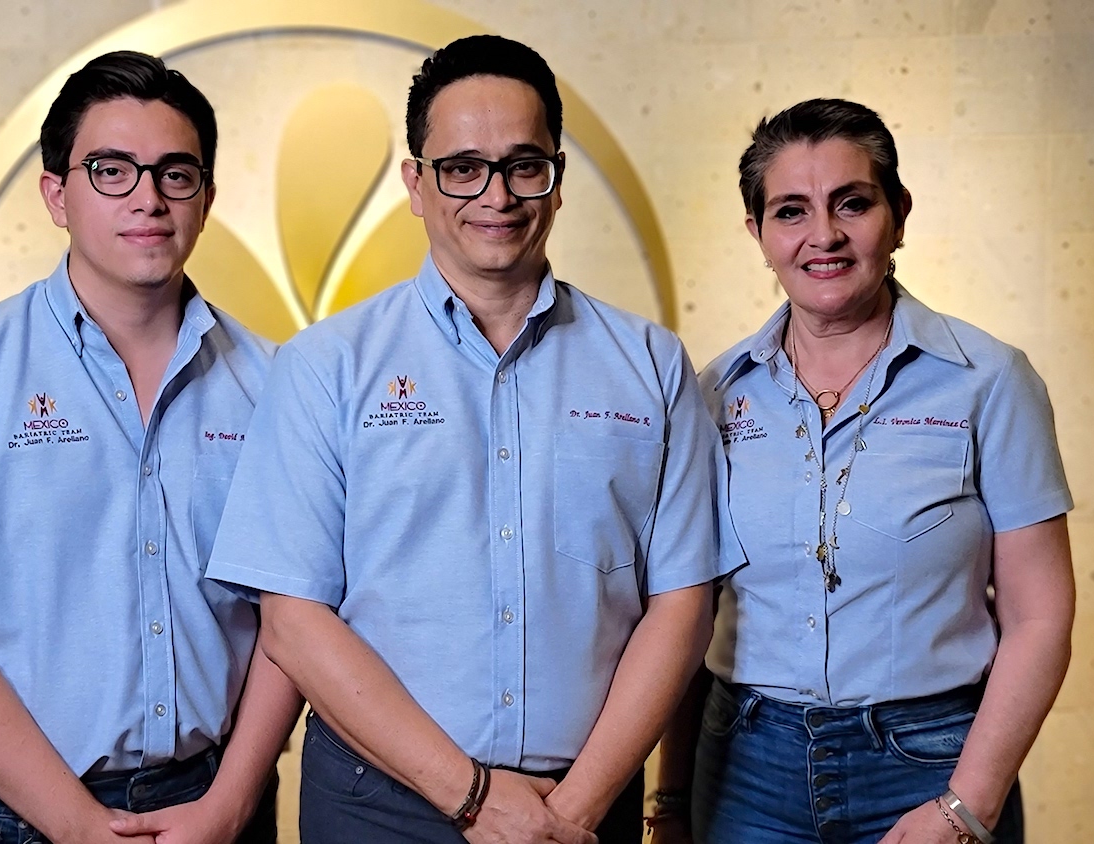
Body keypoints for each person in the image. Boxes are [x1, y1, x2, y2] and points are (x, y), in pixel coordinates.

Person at [204, 35, 731, 844]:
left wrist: (576, 809)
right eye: (462, 167)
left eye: (525, 164)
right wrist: (476, 799)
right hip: (374, 805)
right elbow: (293, 617)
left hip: (585, 803)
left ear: (557, 181)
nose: (497, 194)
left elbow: (684, 602)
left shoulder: (651, 363)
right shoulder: (325, 366)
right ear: (415, 183)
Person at [0, 51, 302, 844]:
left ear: (207, 197)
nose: (149, 199)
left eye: (175, 173)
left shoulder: (277, 383)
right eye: (111, 171)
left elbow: (292, 617)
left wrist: (231, 803)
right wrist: (77, 824)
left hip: (215, 802)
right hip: (11, 814)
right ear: (57, 195)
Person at [652, 99, 1075, 844]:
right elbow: (690, 611)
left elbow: (1040, 618)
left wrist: (967, 803)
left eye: (853, 203)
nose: (825, 236)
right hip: (746, 769)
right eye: (791, 211)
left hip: (933, 761)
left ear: (899, 213)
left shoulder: (990, 382)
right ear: (757, 234)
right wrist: (673, 799)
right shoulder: (714, 394)